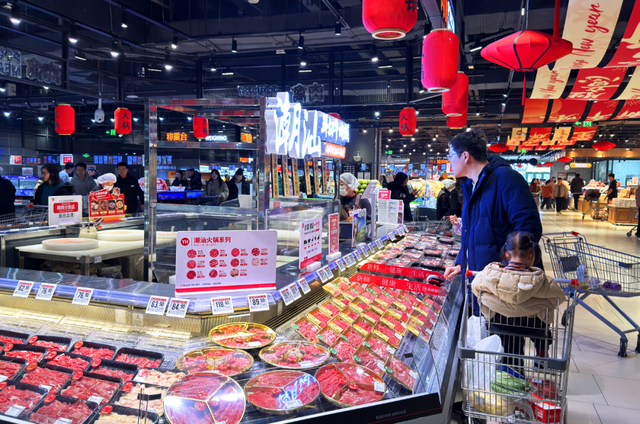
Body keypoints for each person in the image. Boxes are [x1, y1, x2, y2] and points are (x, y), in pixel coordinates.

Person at [443, 129, 542, 283]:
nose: (449, 162)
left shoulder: (506, 178)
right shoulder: (471, 185)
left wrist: (511, 268)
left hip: (504, 280)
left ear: (465, 156)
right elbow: (470, 233)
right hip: (482, 277)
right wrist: (462, 263)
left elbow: (528, 226)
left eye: (450, 156)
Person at [472, 232, 565, 372]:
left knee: (503, 334)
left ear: (507, 254)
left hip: (500, 322)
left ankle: (505, 366)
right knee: (544, 328)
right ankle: (541, 356)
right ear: (531, 254)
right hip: (533, 325)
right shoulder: (543, 281)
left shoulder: (488, 276)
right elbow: (559, 297)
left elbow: (475, 288)